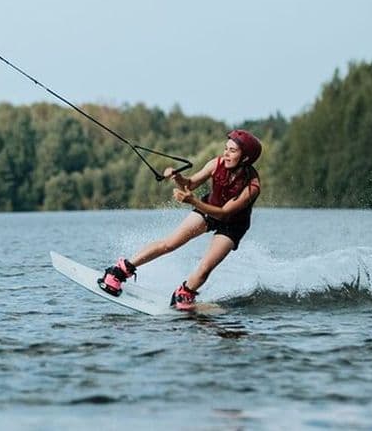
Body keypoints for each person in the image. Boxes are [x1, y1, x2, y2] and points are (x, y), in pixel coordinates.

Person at [98, 129, 262, 310]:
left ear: (245, 158)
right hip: (208, 208)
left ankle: (184, 294)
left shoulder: (252, 186)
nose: (226, 153)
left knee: (206, 266)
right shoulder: (216, 164)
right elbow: (190, 183)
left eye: (232, 151)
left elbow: (223, 213)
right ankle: (119, 271)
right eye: (226, 148)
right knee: (170, 243)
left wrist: (192, 200)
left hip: (232, 224)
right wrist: (177, 177)